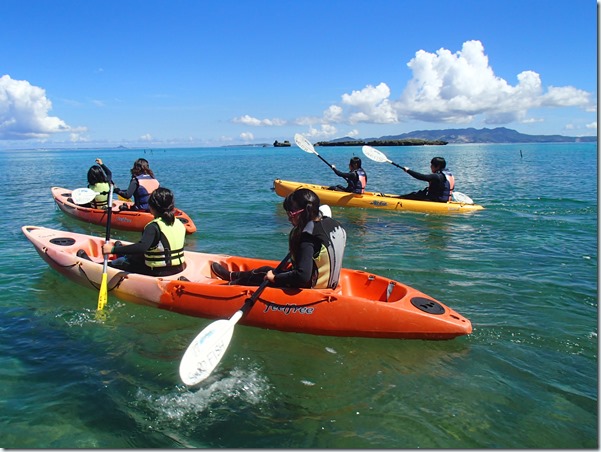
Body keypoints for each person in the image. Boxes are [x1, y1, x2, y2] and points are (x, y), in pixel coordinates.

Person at [211, 188, 347, 289]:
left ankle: (229, 287)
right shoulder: (333, 224)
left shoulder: (307, 236)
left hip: (311, 290)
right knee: (265, 269)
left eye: (290, 213)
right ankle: (231, 276)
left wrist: (275, 278)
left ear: (302, 212)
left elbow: (302, 277)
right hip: (327, 283)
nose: (288, 218)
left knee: (266, 275)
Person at [101, 187, 186, 276]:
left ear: (151, 207)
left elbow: (142, 247)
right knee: (132, 256)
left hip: (157, 272)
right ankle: (122, 252)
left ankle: (93, 263)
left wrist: (112, 250)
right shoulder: (178, 223)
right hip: (178, 269)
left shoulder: (153, 227)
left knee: (121, 262)